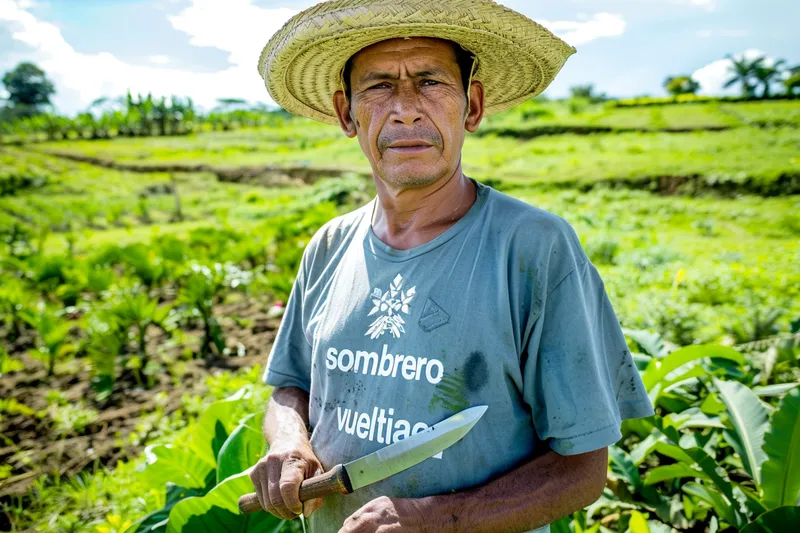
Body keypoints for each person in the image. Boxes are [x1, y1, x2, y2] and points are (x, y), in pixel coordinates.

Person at [249, 1, 654, 532]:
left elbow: (581, 469)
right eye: (378, 87)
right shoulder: (329, 245)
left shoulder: (533, 248)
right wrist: (288, 439)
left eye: (430, 81)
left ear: (473, 106)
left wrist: (439, 518)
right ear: (347, 113)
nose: (406, 110)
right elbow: (290, 388)